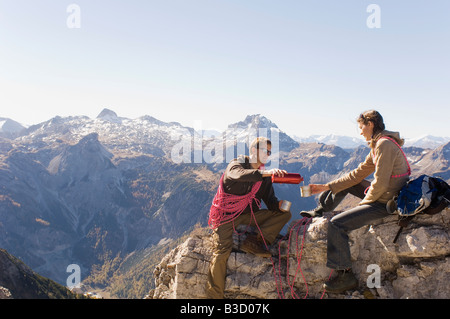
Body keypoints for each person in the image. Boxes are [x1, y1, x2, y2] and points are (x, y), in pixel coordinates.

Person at [303, 110, 410, 294]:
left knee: (336, 224)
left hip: (384, 203)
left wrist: (363, 206)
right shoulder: (378, 144)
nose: (360, 132)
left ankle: (345, 275)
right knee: (352, 182)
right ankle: (321, 209)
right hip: (385, 194)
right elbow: (357, 175)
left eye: (361, 127)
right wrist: (325, 187)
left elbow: (381, 183)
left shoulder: (384, 145)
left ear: (370, 124)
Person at [206, 137, 292, 299]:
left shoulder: (264, 177)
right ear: (253, 151)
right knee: (221, 253)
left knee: (285, 214)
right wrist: (266, 173)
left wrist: (279, 205)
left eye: (269, 152)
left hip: (247, 216)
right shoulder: (236, 164)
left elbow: (270, 201)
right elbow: (237, 175)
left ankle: (255, 241)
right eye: (264, 151)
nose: (267, 154)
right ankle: (214, 296)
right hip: (226, 217)